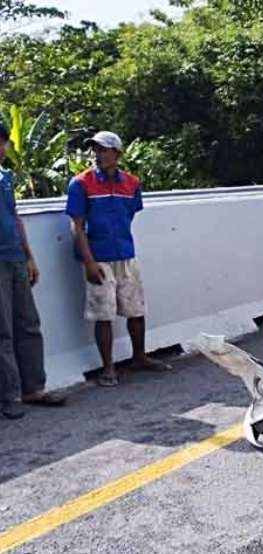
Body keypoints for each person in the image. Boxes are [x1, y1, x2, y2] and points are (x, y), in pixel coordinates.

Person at [65, 131, 170, 387]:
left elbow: (130, 215)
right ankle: (109, 367)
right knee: (104, 313)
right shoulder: (81, 183)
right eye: (95, 150)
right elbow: (76, 226)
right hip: (98, 257)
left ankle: (139, 356)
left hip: (125, 252)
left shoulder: (132, 184)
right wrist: (88, 261)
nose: (97, 155)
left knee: (136, 309)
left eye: (103, 150)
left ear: (117, 154)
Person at [0, 123, 65, 419]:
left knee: (27, 323)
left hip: (14, 257)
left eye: (3, 143)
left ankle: (33, 387)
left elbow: (15, 218)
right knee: (3, 332)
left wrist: (29, 257)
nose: (2, 149)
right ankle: (10, 395)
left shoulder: (5, 178)